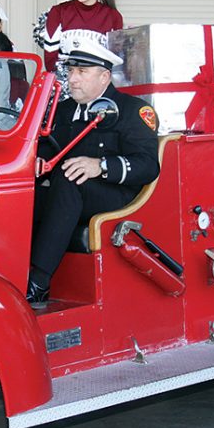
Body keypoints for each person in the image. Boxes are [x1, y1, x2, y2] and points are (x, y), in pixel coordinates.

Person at [26, 37, 160, 307]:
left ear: (104, 76)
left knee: (69, 178)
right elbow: (44, 152)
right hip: (69, 194)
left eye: (82, 72)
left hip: (116, 196)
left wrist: (100, 166)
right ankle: (5, 271)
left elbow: (148, 166)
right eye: (71, 71)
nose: (72, 79)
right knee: (18, 196)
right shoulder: (61, 111)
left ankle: (37, 282)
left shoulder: (133, 110)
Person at [36, 0, 124, 75]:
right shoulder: (58, 12)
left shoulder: (113, 17)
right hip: (65, 88)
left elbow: (116, 63)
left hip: (99, 89)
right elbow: (50, 63)